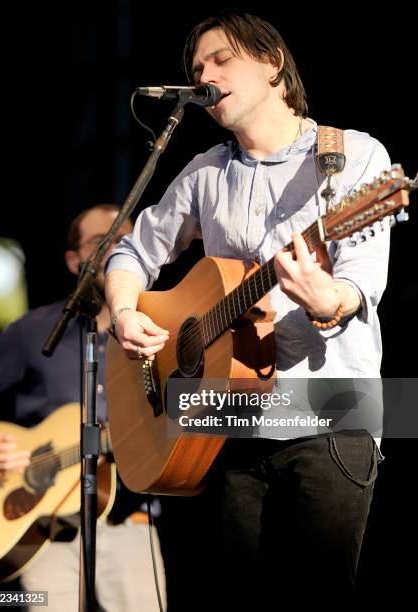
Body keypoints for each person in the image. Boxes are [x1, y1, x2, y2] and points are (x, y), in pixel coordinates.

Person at [104, 10, 391, 608]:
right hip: (225, 421)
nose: (203, 75)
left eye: (220, 59)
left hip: (329, 411)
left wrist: (326, 300)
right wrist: (126, 310)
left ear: (273, 65)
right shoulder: (205, 171)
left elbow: (362, 282)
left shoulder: (352, 155)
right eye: (195, 68)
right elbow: (132, 247)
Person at [0, 204, 166, 612]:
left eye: (127, 241)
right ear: (73, 261)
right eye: (102, 242)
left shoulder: (160, 332)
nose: (117, 250)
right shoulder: (31, 332)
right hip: (41, 535)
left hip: (129, 524)